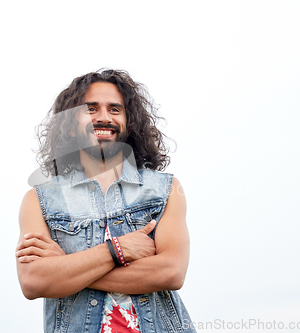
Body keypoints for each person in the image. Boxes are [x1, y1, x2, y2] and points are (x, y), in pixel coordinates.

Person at [16, 69, 195, 333]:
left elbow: (171, 272)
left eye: (114, 109)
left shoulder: (164, 189)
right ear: (70, 122)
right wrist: (117, 249)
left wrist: (67, 266)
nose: (103, 117)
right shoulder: (40, 200)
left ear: (128, 120)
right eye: (91, 108)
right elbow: (33, 281)